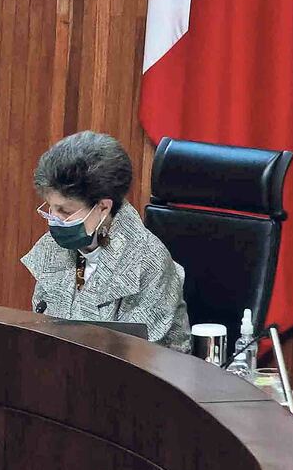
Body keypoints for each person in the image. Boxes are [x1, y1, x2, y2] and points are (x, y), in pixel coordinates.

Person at [22, 131, 191, 352]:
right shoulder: (54, 248)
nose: (54, 219)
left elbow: (142, 356)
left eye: (65, 211)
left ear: (103, 207)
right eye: (51, 207)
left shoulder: (148, 261)